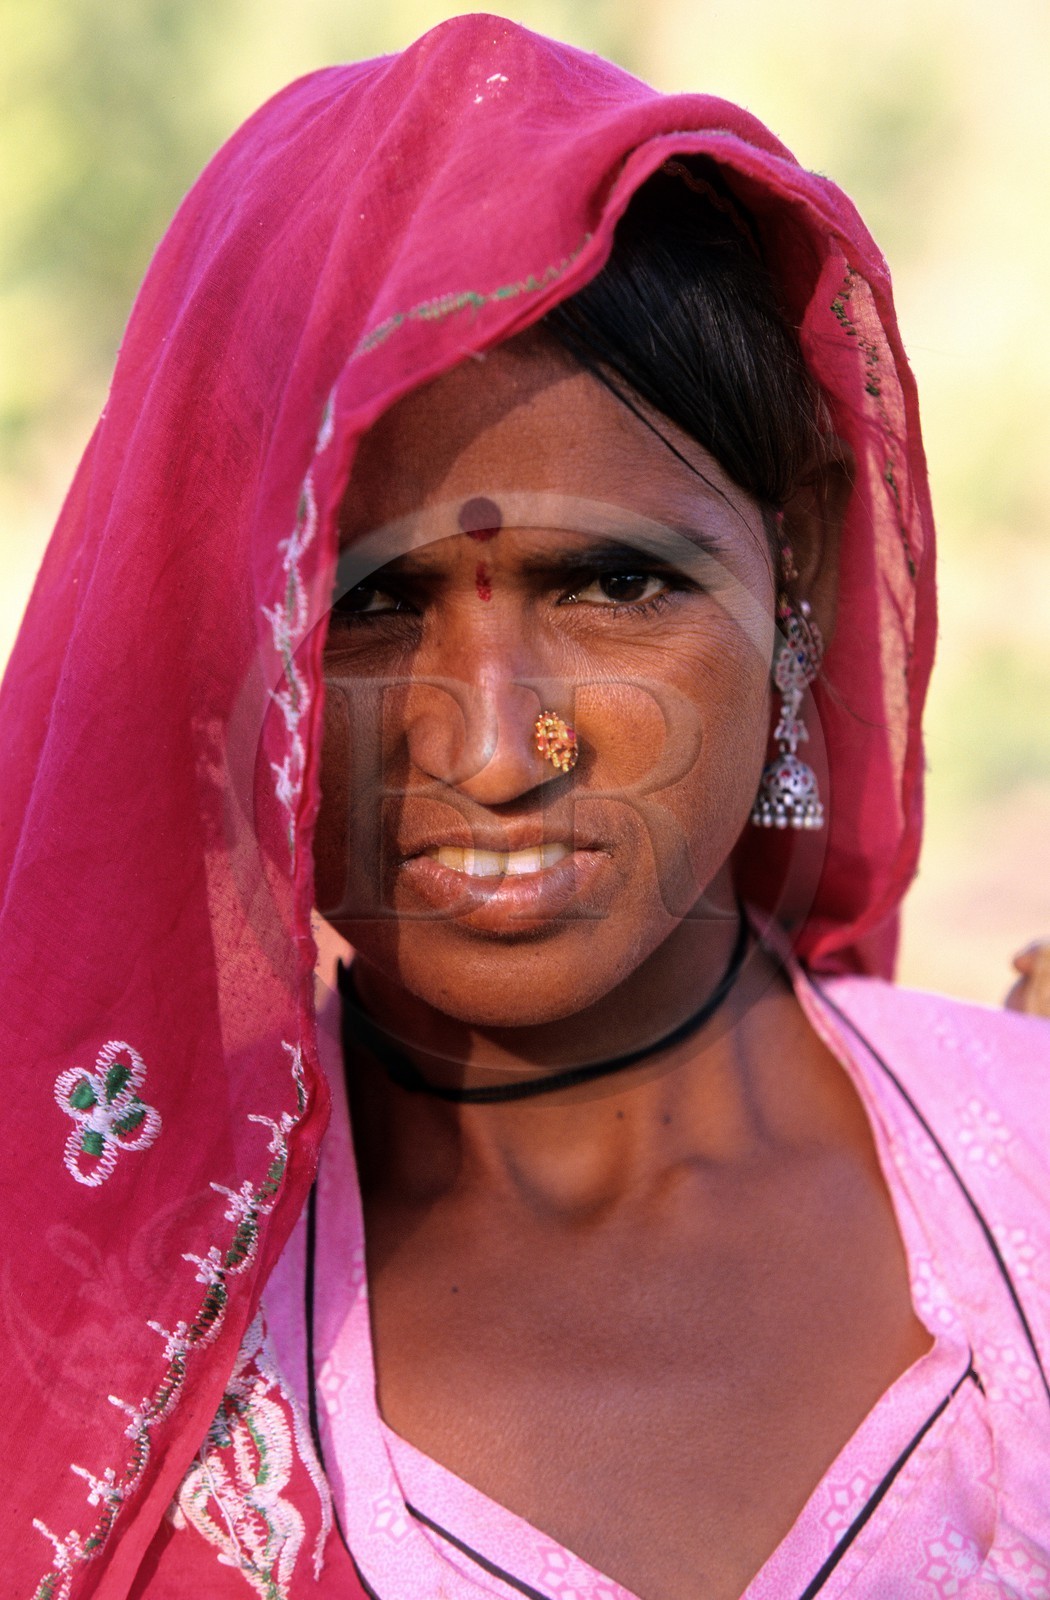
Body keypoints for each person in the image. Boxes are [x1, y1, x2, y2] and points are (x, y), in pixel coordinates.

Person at [2, 15, 1048, 1600]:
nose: (495, 750)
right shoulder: (73, 1328)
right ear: (223, 659)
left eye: (618, 581)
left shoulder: (1023, 1181)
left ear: (800, 578)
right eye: (365, 607)